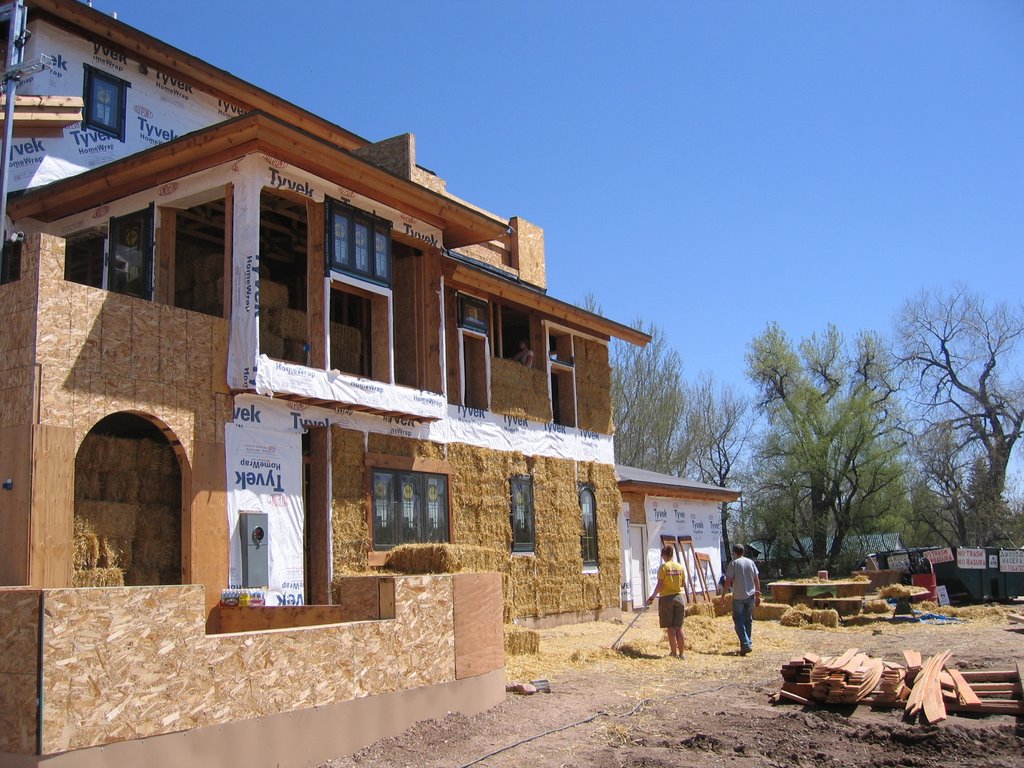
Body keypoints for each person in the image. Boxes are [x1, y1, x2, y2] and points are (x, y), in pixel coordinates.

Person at [646, 545, 686, 658]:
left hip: (667, 598)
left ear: (664, 555)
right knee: (679, 627)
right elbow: (682, 584)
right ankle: (682, 654)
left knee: (671, 627)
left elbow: (660, 585)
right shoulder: (680, 567)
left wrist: (652, 597)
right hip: (679, 597)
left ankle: (673, 653)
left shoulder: (663, 568)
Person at [723, 544, 761, 655]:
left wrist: (723, 595)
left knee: (738, 620)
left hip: (738, 597)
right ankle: (747, 643)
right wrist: (758, 594)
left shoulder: (733, 564)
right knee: (748, 620)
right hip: (750, 596)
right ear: (743, 552)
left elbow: (728, 581)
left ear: (734, 552)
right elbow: (756, 579)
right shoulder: (750, 562)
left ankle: (745, 643)